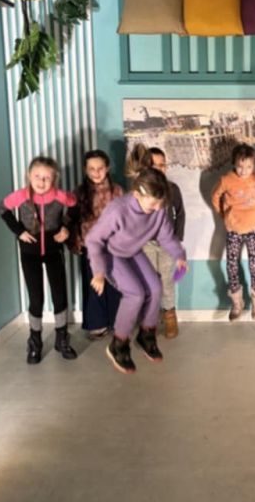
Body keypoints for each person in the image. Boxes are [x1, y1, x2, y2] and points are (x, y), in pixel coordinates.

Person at [85, 157, 187, 375]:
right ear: (138, 195)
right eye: (153, 204)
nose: (158, 208)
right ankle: (119, 344)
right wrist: (99, 272)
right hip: (111, 254)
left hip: (132, 252)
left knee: (156, 288)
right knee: (136, 294)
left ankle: (146, 335)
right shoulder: (118, 210)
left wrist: (179, 255)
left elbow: (166, 235)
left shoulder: (158, 209)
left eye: (160, 204)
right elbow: (93, 240)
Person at [0, 156, 77, 364]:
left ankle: (62, 338)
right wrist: (19, 231)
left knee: (59, 294)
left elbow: (75, 206)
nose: (41, 182)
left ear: (54, 179)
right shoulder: (21, 196)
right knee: (36, 297)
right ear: (29, 176)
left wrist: (66, 228)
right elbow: (1, 208)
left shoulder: (60, 196)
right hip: (29, 253)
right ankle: (35, 341)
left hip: (53, 251)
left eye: (47, 178)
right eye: (37, 176)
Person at [69, 149, 123, 339]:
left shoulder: (117, 191)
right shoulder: (79, 192)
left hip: (114, 245)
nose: (96, 172)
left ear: (107, 168)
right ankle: (97, 323)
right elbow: (72, 218)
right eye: (91, 169)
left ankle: (117, 321)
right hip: (91, 247)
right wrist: (75, 240)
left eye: (100, 168)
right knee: (94, 284)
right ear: (86, 170)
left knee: (115, 284)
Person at [212, 143, 255, 321]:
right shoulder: (226, 180)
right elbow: (215, 197)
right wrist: (224, 215)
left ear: (254, 165)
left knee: (254, 264)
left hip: (253, 228)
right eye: (240, 166)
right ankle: (237, 302)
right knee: (231, 264)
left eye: (249, 167)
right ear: (234, 164)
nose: (244, 171)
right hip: (234, 228)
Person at [143, 147, 185, 339]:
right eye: (154, 165)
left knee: (167, 280)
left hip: (167, 243)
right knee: (150, 282)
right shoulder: (140, 190)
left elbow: (180, 214)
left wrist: (177, 239)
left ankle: (169, 316)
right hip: (146, 244)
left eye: (162, 165)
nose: (159, 169)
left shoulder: (172, 189)